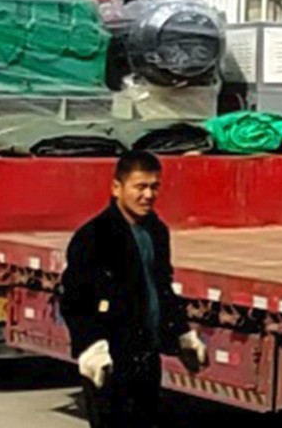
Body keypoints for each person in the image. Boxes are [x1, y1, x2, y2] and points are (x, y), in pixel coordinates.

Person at [61, 151, 209, 427]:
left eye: (154, 187)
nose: (148, 195)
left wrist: (182, 334)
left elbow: (162, 288)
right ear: (117, 188)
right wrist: (91, 347)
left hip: (146, 356)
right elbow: (73, 299)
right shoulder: (94, 236)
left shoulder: (156, 231)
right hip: (109, 359)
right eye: (140, 187)